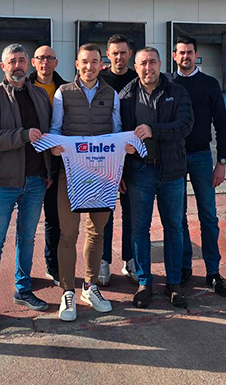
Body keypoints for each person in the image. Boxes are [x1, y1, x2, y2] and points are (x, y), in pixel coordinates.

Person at [0, 44, 54, 331]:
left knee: (28, 238)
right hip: (3, 182)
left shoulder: (39, 95)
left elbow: (48, 134)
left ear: (28, 64)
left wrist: (48, 170)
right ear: (2, 65)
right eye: (12, 61)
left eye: (22, 60)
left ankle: (23, 289)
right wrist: (22, 135)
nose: (18, 66)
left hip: (35, 181)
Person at [48, 43, 121, 321]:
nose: (89, 67)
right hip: (72, 173)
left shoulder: (111, 94)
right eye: (84, 62)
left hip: (102, 174)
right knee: (68, 233)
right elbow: (55, 129)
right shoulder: (63, 93)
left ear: (101, 64)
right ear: (76, 65)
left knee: (97, 231)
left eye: (94, 62)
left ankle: (90, 287)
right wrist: (55, 146)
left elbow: (117, 132)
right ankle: (67, 291)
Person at [119, 46, 194, 309]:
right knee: (139, 229)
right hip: (140, 172)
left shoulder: (177, 91)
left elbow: (185, 126)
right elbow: (120, 136)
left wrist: (154, 130)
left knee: (173, 227)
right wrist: (121, 172)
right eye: (142, 63)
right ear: (135, 66)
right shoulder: (126, 96)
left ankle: (173, 283)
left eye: (152, 62)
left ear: (160, 63)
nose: (147, 67)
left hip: (172, 172)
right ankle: (144, 283)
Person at [169, 35, 226, 296]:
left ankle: (213, 271)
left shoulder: (209, 84)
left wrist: (222, 162)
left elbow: (222, 124)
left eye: (190, 52)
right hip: (174, 158)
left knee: (208, 215)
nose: (185, 56)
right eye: (181, 52)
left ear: (197, 55)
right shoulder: (167, 83)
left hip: (202, 157)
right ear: (174, 56)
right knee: (177, 216)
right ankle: (184, 267)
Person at [98, 34, 139, 285]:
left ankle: (130, 260)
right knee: (105, 212)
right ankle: (103, 261)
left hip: (131, 155)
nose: (119, 57)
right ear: (108, 54)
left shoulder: (138, 78)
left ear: (130, 53)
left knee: (131, 212)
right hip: (105, 156)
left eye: (123, 53)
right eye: (114, 53)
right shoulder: (100, 79)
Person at [27, 45, 68, 285]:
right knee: (28, 222)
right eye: (41, 58)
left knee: (55, 218)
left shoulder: (65, 88)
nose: (45, 63)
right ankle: (23, 274)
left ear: (56, 62)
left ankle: (54, 265)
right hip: (33, 163)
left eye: (50, 58)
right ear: (34, 62)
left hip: (59, 163)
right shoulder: (25, 88)